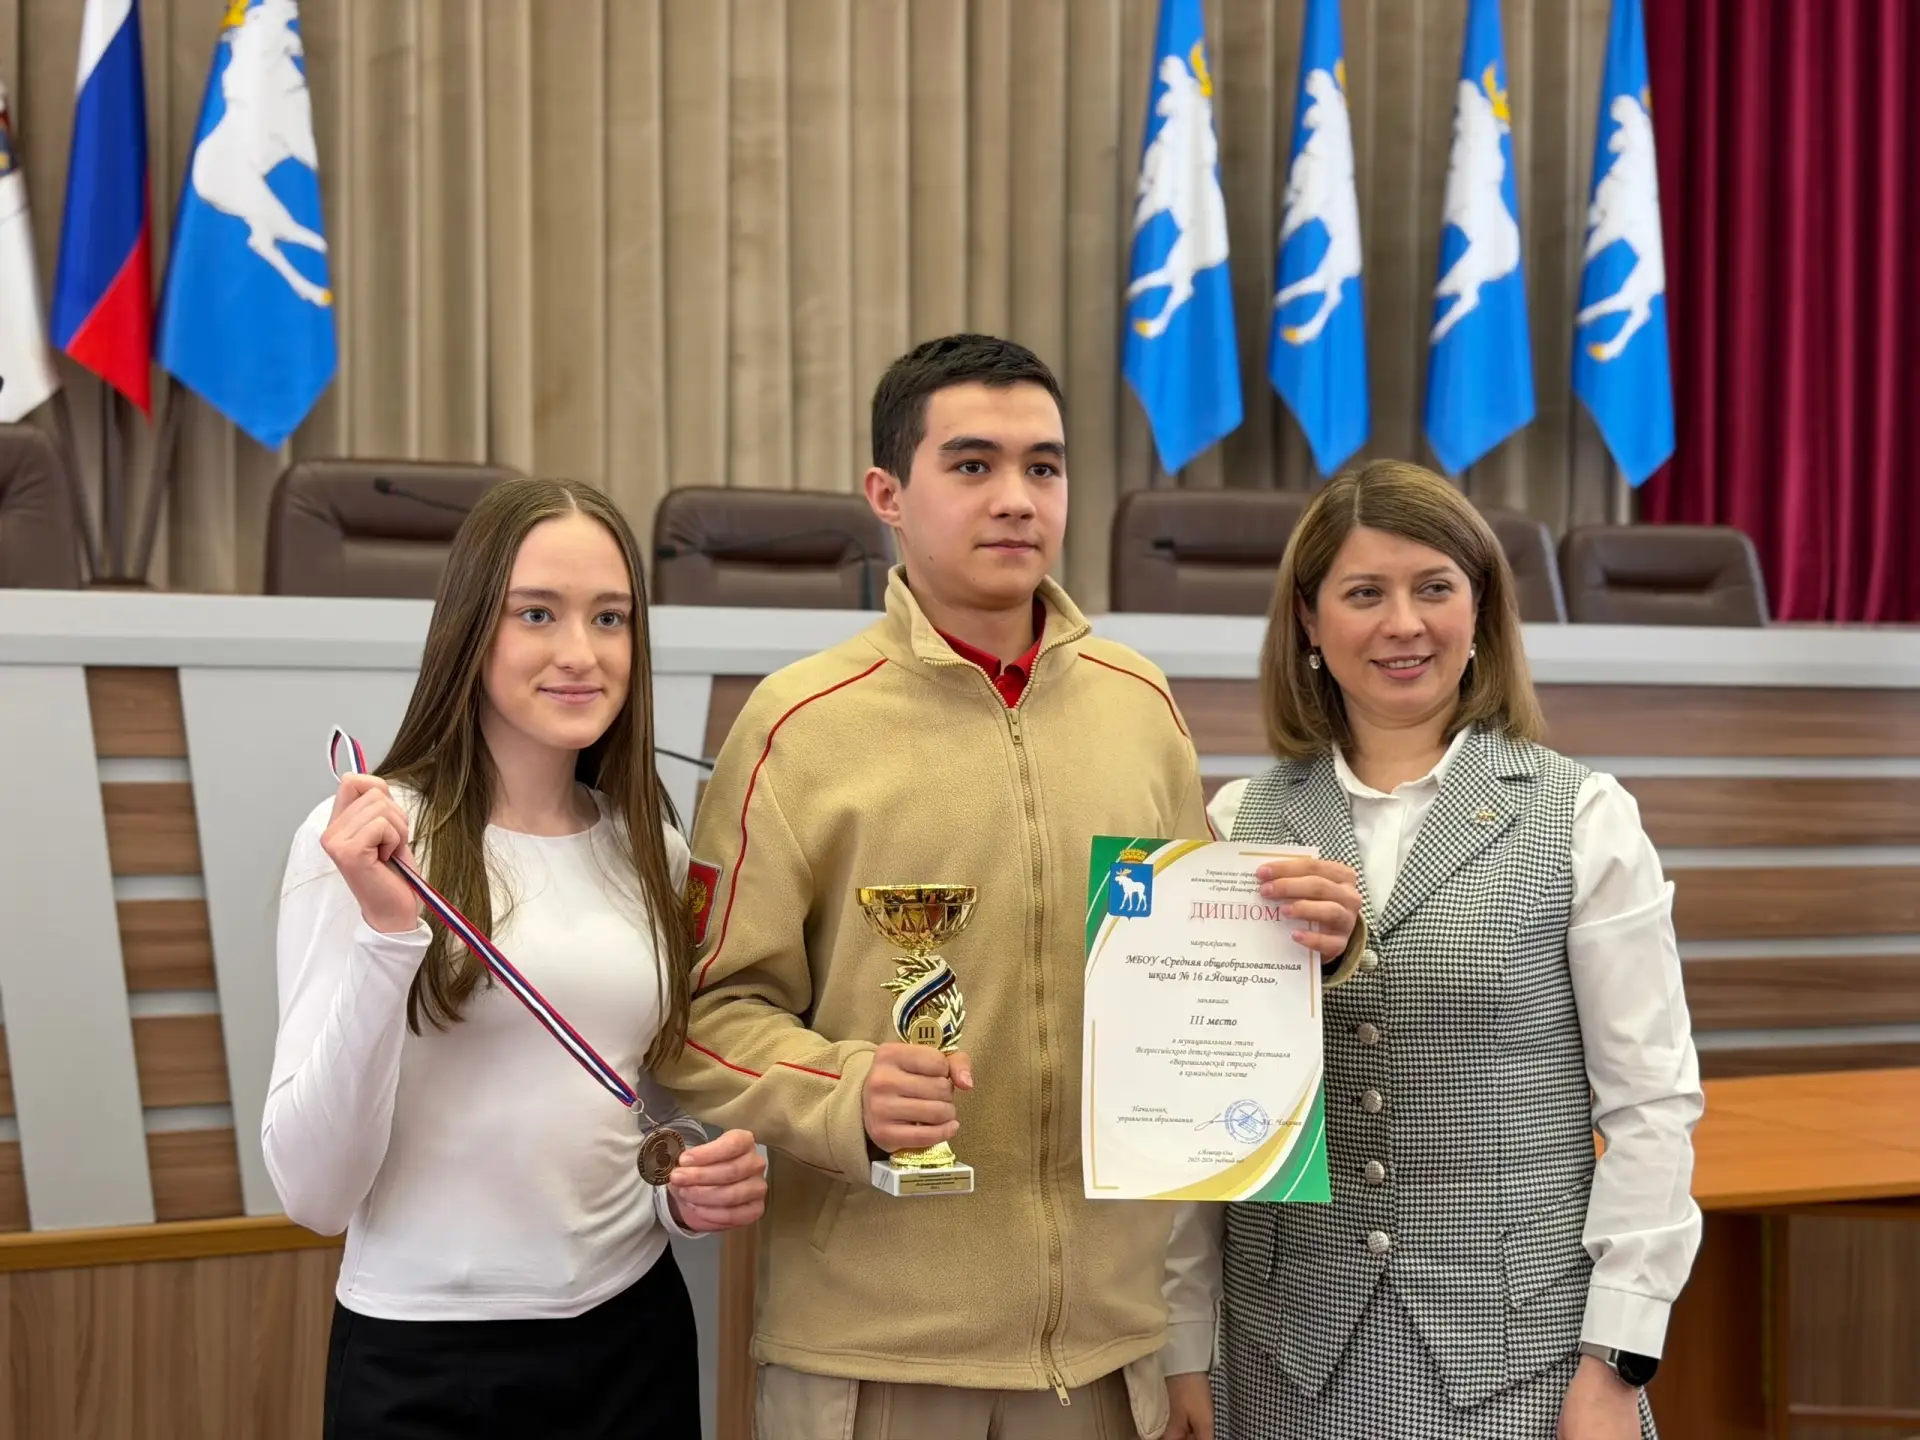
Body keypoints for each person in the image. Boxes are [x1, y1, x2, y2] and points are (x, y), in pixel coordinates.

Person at [659, 335, 1359, 1440]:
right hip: (874, 1358)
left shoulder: (1139, 702)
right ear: (887, 493)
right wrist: (845, 1093)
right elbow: (699, 1019)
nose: (1017, 499)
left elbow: (1183, 975)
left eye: (1044, 467)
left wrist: (1301, 948)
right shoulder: (798, 727)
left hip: (1103, 1357)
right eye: (973, 465)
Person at [1160, 460, 1704, 1440]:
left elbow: (1651, 1108)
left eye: (1434, 588)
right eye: (1365, 593)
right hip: (1285, 1359)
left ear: (1482, 610)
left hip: (1528, 1365)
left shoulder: (1587, 818)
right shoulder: (1236, 824)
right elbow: (1209, 1132)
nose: (1403, 624)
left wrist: (1617, 1361)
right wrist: (1180, 1345)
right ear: (1311, 622)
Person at [264, 478, 768, 1440]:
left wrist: (691, 1187)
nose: (581, 653)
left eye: (609, 617)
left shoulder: (649, 843)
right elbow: (313, 1193)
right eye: (537, 613)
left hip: (635, 1338)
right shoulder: (372, 845)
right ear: (470, 632)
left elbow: (646, 1106)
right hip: (426, 1359)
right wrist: (385, 936)